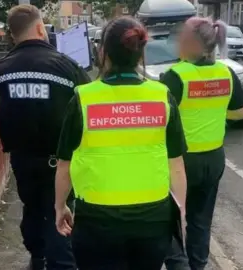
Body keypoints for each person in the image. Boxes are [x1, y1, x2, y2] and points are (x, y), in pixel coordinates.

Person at [54, 16, 188, 270]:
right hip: (152, 221)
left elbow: (64, 165)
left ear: (103, 52)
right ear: (140, 53)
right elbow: (177, 165)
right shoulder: (161, 96)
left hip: (96, 222)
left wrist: (60, 207)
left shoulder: (84, 99)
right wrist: (180, 213)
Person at [0, 4, 90, 270]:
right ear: (39, 28)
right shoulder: (66, 66)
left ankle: (37, 257)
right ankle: (61, 264)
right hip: (60, 161)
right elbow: (87, 99)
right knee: (59, 211)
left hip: (22, 159)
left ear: (12, 34)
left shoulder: (0, 71)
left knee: (32, 208)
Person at [161, 17, 243, 270]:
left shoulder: (176, 76)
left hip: (181, 161)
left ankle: (179, 265)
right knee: (201, 221)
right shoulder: (226, 72)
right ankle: (197, 265)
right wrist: (217, 110)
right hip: (213, 159)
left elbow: (160, 118)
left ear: (191, 43)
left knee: (172, 219)